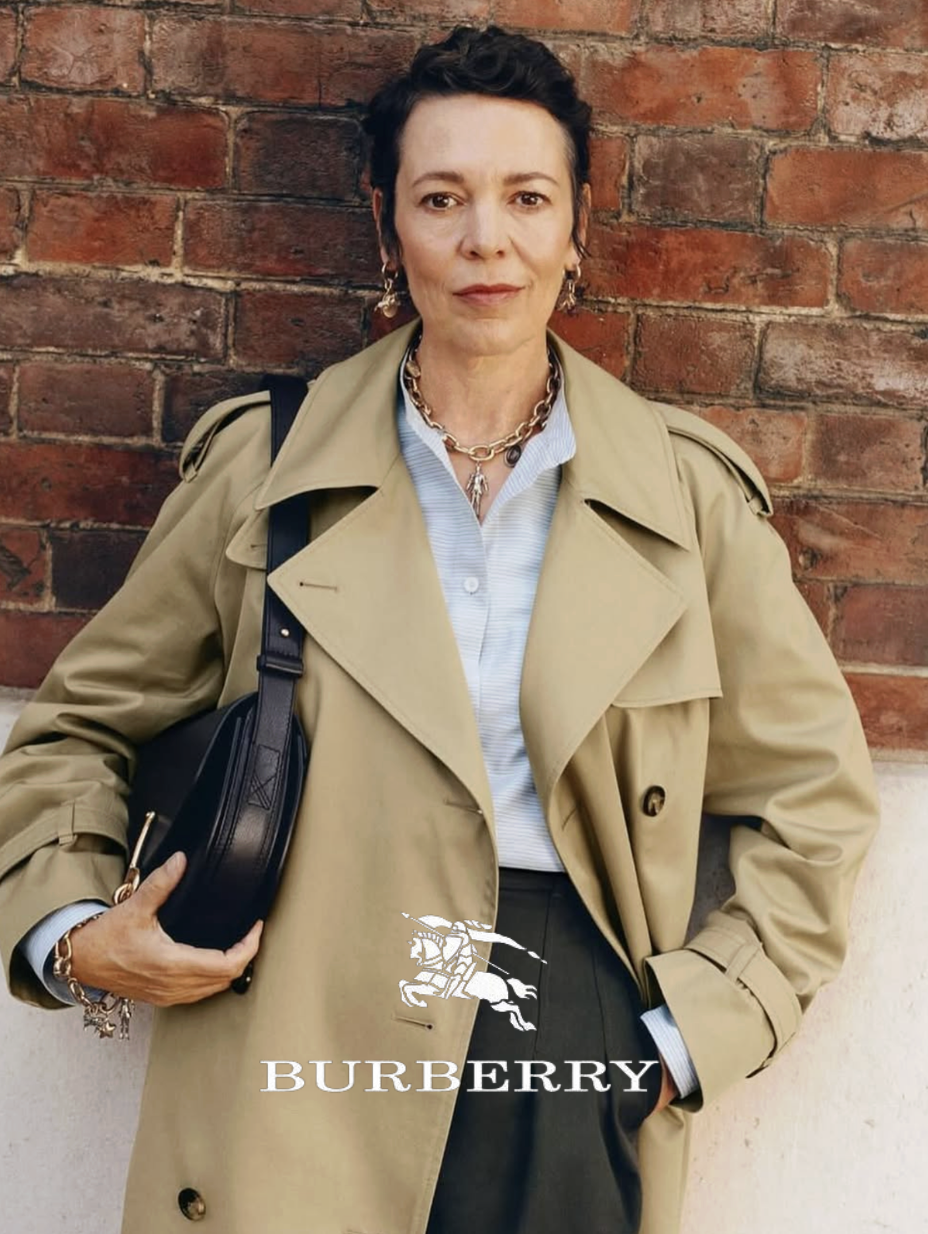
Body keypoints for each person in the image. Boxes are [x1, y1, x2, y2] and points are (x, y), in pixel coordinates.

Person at [0, 24, 879, 1234]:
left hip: (571, 1033)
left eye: (527, 197)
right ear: (387, 224)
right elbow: (77, 729)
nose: (485, 240)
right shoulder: (266, 466)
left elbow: (815, 797)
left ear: (577, 227)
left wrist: (684, 1036)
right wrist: (71, 935)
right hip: (296, 1016)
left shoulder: (683, 499)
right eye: (440, 197)